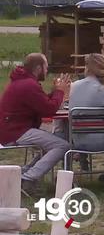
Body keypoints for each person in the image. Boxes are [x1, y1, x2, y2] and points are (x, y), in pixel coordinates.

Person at [0, 53, 71, 194]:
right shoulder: (28, 85)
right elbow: (48, 109)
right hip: (15, 131)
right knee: (62, 145)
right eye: (46, 67)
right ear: (38, 68)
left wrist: (55, 92)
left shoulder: (23, 81)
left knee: (55, 142)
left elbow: (41, 103)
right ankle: (28, 178)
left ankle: (23, 175)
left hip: (12, 128)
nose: (47, 71)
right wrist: (59, 92)